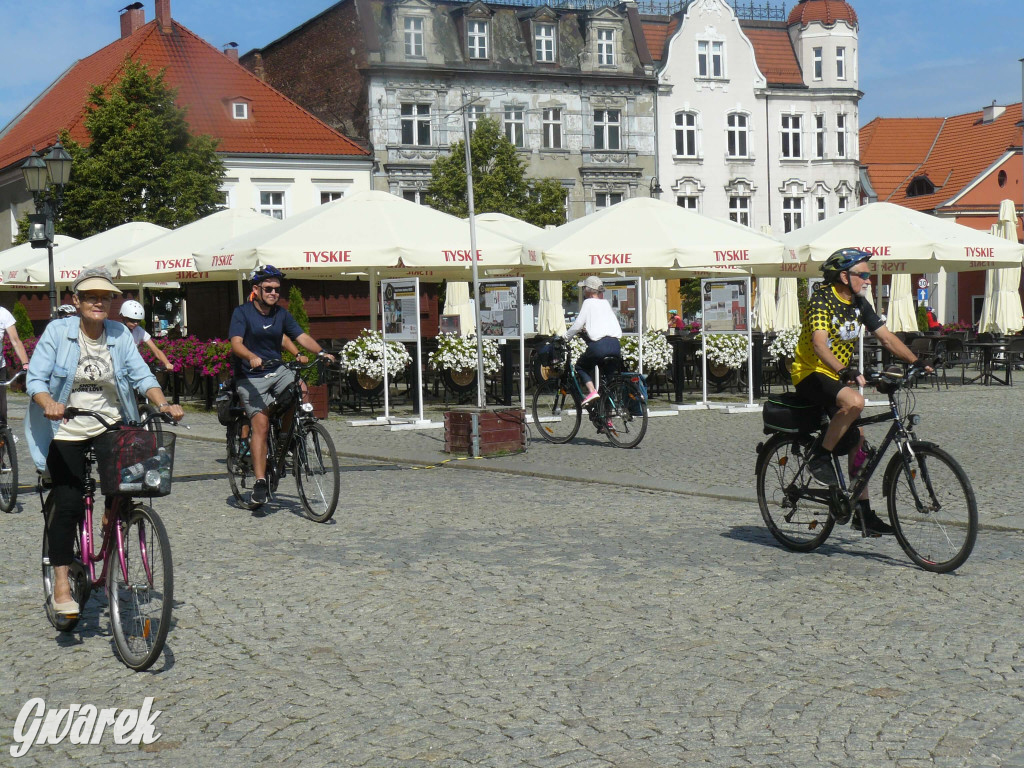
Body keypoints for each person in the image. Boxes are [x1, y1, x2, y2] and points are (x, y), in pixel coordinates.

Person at [25, 267, 184, 616]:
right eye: (91, 296)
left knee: (133, 478)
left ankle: (112, 516)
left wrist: (163, 404)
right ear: (76, 300)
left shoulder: (118, 334)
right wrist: (49, 403)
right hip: (65, 426)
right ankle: (62, 582)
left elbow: (142, 374)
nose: (99, 302)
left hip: (109, 421)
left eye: (106, 297)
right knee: (67, 499)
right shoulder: (58, 331)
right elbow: (35, 379)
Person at [790, 248, 929, 536]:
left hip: (837, 376)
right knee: (856, 401)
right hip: (811, 372)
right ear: (844, 276)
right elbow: (819, 345)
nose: (867, 280)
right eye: (863, 274)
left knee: (859, 444)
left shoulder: (858, 303)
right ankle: (819, 456)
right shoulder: (821, 300)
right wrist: (844, 370)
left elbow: (887, 338)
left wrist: (917, 362)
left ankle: (863, 515)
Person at [228, 265, 334, 507]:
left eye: (277, 289)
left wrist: (321, 351)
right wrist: (250, 356)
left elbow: (300, 336)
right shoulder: (242, 313)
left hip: (276, 370)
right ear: (256, 289)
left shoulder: (281, 314)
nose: (274, 293)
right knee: (261, 425)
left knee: (301, 388)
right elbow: (236, 343)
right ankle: (260, 481)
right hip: (251, 376)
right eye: (268, 288)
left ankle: (289, 436)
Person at [565, 275, 623, 408]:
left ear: (589, 290)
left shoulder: (588, 303)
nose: (583, 290)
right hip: (615, 345)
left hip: (600, 346)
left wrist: (566, 337)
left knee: (581, 366)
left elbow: (578, 324)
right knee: (607, 384)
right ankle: (607, 420)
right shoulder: (606, 303)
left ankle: (591, 392)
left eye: (584, 288)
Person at [119, 299, 174, 371]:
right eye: (132, 320)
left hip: (132, 367)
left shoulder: (138, 330)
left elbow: (156, 350)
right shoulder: (118, 330)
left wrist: (167, 363)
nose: (135, 323)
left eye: (138, 321)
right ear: (123, 317)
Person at [0, 303, 30, 421]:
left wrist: (25, 364)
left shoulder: (3, 313)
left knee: (1, 410)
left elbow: (16, 341)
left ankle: (4, 435)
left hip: (0, 368)